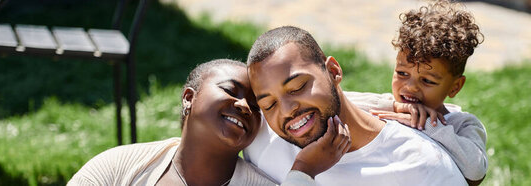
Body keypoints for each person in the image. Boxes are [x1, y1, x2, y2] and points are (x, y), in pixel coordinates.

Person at [67, 59, 352, 186]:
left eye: (256, 106)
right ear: (189, 97)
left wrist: (302, 171)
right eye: (230, 91)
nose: (243, 106)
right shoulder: (117, 168)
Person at [244, 25, 466, 185]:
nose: (286, 110)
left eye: (297, 87)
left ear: (333, 72)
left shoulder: (420, 167)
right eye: (269, 104)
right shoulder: (258, 141)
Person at [369, 1, 488, 184]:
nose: (410, 87)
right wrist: (393, 106)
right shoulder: (389, 107)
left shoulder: (463, 125)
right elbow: (341, 101)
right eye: (402, 73)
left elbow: (476, 171)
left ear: (455, 87)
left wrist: (429, 125)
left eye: (427, 81)